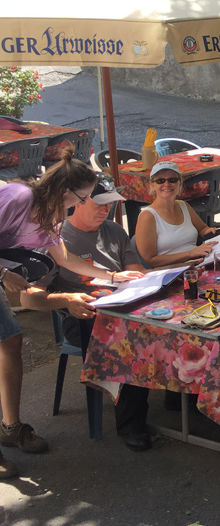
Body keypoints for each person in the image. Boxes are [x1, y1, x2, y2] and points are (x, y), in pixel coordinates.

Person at [0, 147, 142, 478]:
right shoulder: (20, 196)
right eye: (83, 197)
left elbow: (65, 259)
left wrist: (113, 276)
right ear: (65, 190)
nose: (82, 204)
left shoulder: (51, 216)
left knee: (10, 342)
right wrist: (3, 275)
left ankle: (10, 428)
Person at [20, 172, 152, 451]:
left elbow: (138, 270)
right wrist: (66, 300)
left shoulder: (114, 230)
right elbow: (29, 299)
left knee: (171, 324)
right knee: (130, 342)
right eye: (99, 204)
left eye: (110, 204)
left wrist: (143, 281)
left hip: (125, 308)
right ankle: (132, 424)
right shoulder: (55, 238)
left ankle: (180, 398)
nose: (106, 210)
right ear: (76, 202)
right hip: (81, 319)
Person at [134, 161, 218, 268]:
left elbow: (202, 228)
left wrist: (208, 231)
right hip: (172, 272)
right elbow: (150, 260)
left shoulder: (184, 206)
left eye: (172, 180)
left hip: (199, 262)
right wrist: (190, 254)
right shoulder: (148, 216)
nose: (167, 184)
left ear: (180, 183)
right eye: (160, 181)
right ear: (152, 185)